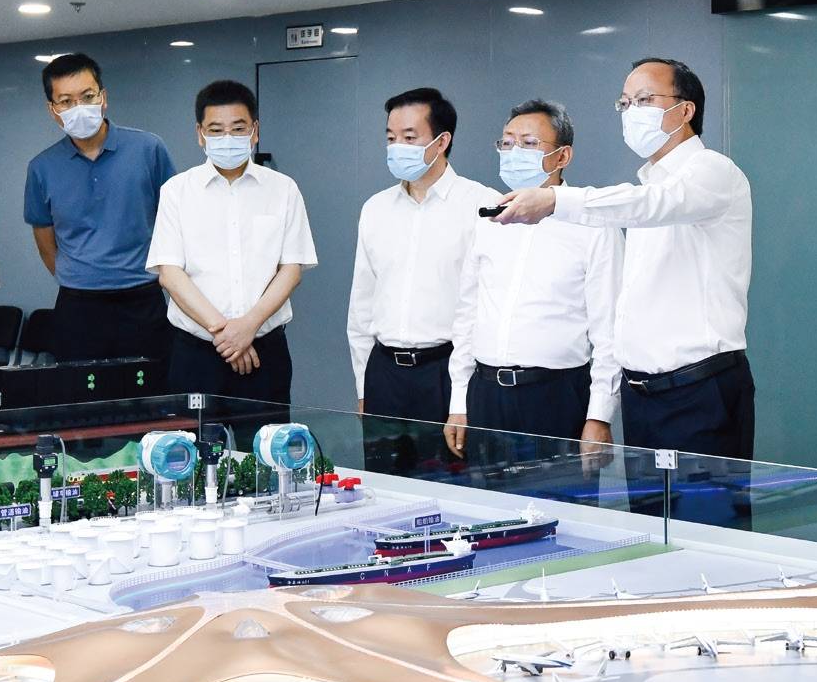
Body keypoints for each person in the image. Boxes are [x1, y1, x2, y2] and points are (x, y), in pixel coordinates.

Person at [493, 58, 753, 464]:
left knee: (704, 506)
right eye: (625, 103)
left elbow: (655, 204)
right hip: (642, 397)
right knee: (647, 508)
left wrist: (555, 200)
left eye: (644, 100)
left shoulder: (712, 172)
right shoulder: (647, 186)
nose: (631, 112)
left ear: (685, 109)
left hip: (699, 390)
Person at [446, 101, 622, 467]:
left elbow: (610, 331)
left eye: (528, 144)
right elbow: (467, 315)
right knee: (483, 501)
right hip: (486, 393)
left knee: (559, 498)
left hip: (555, 396)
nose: (514, 153)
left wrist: (599, 416)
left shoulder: (593, 225)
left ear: (562, 156)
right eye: (507, 142)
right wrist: (459, 401)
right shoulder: (488, 220)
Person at [147, 80, 317, 411]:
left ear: (255, 131)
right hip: (195, 353)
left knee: (267, 442)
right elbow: (170, 274)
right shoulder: (176, 191)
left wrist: (248, 326)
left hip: (265, 351)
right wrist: (227, 334)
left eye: (238, 129)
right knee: (193, 444)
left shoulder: (283, 189)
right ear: (200, 134)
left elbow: (291, 269)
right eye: (216, 130)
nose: (227, 138)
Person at [348, 88, 493, 469]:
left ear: (442, 141)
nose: (397, 147)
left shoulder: (480, 204)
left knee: (449, 485)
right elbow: (362, 304)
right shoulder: (376, 209)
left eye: (409, 138)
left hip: (445, 371)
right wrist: (364, 386)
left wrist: (461, 400)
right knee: (383, 485)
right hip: (384, 373)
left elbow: (482, 307)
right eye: (391, 138)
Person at [22, 52, 177, 369]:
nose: (78, 107)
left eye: (87, 96)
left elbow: (175, 221)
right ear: (53, 110)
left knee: (151, 392)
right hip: (78, 306)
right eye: (66, 101)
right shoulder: (41, 167)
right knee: (80, 394)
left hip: (143, 299)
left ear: (103, 98)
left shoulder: (148, 149)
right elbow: (45, 240)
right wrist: (81, 275)